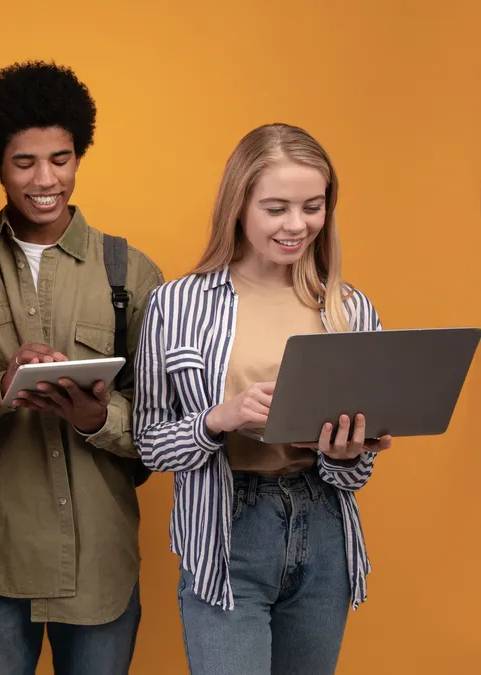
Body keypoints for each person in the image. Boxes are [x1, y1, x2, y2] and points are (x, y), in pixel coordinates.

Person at [133, 123, 392, 675]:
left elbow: (352, 477)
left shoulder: (350, 309)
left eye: (312, 206)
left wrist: (347, 454)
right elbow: (151, 445)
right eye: (276, 208)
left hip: (323, 530)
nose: (297, 225)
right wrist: (216, 420)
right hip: (228, 530)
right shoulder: (176, 304)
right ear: (239, 205)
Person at [0, 61, 164, 675]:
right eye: (25, 163)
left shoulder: (132, 274)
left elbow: (167, 426)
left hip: (100, 564)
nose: (47, 179)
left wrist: (100, 418)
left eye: (61, 159)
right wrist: (1, 390)